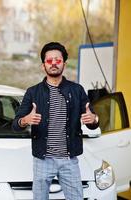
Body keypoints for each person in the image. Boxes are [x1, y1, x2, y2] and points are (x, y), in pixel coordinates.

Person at [12, 42, 99, 200]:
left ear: (64, 64)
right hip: (43, 160)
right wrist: (25, 119)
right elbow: (15, 124)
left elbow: (93, 122)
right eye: (49, 60)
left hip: (69, 159)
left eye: (57, 60)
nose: (53, 63)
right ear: (43, 65)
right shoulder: (33, 92)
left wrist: (93, 119)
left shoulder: (77, 90)